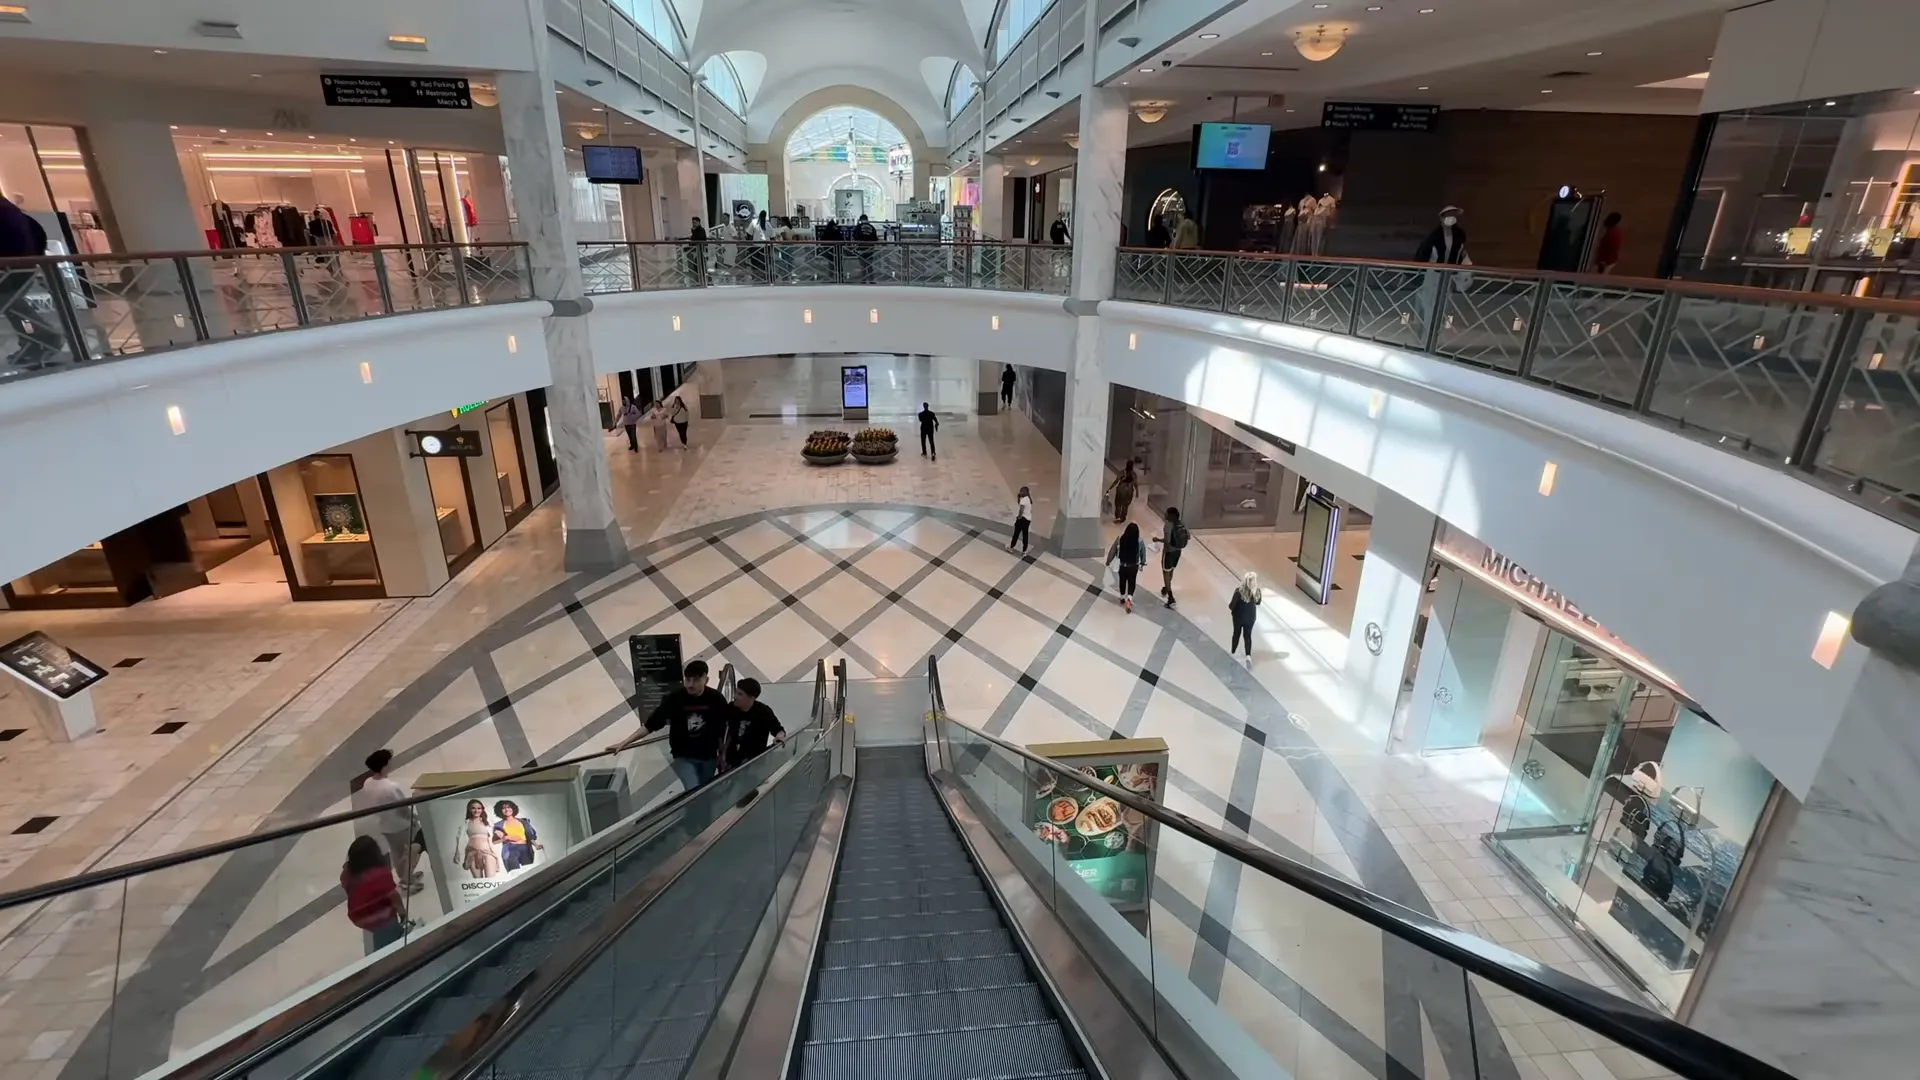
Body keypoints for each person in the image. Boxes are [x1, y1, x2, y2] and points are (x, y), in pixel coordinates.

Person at [644, 659, 730, 791]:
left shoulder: (716, 699)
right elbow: (653, 722)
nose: (690, 685)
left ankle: (702, 811)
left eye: (695, 680)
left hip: (709, 756)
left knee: (705, 791)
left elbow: (721, 727)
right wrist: (625, 743)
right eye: (687, 680)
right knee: (693, 790)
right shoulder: (675, 698)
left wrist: (722, 754)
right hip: (683, 756)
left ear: (706, 680)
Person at [353, 749, 422, 895]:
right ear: (384, 766)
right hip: (401, 825)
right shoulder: (391, 787)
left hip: (384, 825)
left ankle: (404, 878)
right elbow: (403, 809)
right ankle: (407, 879)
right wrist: (414, 819)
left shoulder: (368, 783)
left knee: (396, 853)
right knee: (413, 850)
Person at [0, 194, 58, 369]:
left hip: (13, 266)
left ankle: (41, 338)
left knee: (11, 304)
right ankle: (33, 340)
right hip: (21, 264)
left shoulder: (5, 211)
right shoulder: (9, 210)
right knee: (12, 306)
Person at [342, 835, 405, 955]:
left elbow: (345, 884)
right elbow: (394, 897)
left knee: (379, 931)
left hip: (357, 914)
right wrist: (403, 913)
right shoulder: (380, 874)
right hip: (378, 915)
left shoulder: (348, 873)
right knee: (388, 934)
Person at [723, 677, 786, 772]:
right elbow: (727, 733)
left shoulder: (763, 712)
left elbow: (779, 730)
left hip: (754, 762)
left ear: (752, 697)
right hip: (732, 760)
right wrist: (723, 755)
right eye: (736, 692)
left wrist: (779, 737)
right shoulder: (731, 708)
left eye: (740, 694)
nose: (735, 696)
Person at [1105, 522, 1148, 613]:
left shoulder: (1120, 539)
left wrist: (1108, 561)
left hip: (1122, 565)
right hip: (1133, 566)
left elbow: (1113, 550)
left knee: (1122, 580)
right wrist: (1143, 563)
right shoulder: (1139, 541)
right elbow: (1143, 553)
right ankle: (1129, 598)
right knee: (1132, 582)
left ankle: (1122, 597)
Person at [455, 798, 501, 880]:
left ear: (482, 809)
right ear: (469, 809)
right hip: (472, 854)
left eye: (479, 808)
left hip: (488, 853)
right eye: (473, 808)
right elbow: (460, 840)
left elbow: (498, 837)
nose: (476, 811)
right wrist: (457, 854)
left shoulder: (489, 823)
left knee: (490, 880)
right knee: (478, 880)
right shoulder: (466, 824)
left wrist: (500, 835)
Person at [1153, 507, 1190, 609]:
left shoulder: (1168, 525)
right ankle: (1166, 587)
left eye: (1166, 513)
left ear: (1170, 515)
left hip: (1169, 552)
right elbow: (1188, 536)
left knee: (1165, 572)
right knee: (1171, 570)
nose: (1165, 515)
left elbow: (1167, 540)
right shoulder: (1181, 523)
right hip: (1178, 551)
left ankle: (1170, 597)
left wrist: (1157, 540)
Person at [491, 800, 541, 872]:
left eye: (509, 807)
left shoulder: (523, 821)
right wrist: (505, 838)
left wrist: (536, 845)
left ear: (513, 808)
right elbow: (494, 842)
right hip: (510, 850)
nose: (507, 809)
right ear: (500, 810)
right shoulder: (498, 825)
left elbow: (529, 835)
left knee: (529, 872)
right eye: (504, 808)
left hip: (525, 848)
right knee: (514, 872)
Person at [1228, 572, 1262, 662]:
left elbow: (1231, 606)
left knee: (1236, 634)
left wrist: (1233, 610)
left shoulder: (1238, 591)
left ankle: (1233, 651)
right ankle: (1248, 656)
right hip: (1250, 618)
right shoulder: (1257, 592)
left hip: (1238, 618)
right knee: (1247, 636)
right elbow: (1258, 602)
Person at [852, 214, 880, 282]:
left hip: (861, 249)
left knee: (863, 266)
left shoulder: (859, 227)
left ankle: (863, 279)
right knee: (870, 265)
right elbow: (875, 239)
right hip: (870, 249)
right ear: (867, 219)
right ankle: (871, 280)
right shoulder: (872, 227)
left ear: (861, 220)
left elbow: (855, 236)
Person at [1010, 486, 1033, 554]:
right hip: (1028, 519)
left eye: (1021, 491)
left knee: (1016, 533)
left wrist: (1019, 517)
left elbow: (1021, 509)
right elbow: (1021, 505)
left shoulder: (1023, 500)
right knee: (1025, 535)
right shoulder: (1028, 499)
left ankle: (1011, 547)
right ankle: (1024, 550)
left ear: (1023, 492)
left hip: (1022, 518)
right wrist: (1019, 498)